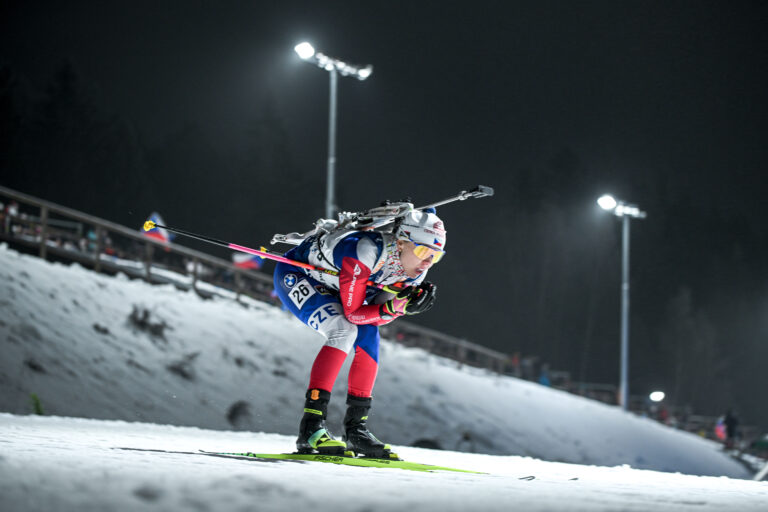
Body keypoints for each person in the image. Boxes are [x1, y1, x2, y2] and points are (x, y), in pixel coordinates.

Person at [272, 209, 445, 459]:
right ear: (401, 242)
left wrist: (399, 307)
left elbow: (378, 314)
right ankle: (310, 427)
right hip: (301, 275)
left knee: (369, 336)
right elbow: (354, 314)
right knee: (344, 330)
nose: (427, 261)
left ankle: (356, 431)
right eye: (422, 251)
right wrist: (395, 308)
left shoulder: (418, 269)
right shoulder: (364, 252)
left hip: (343, 287)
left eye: (435, 256)